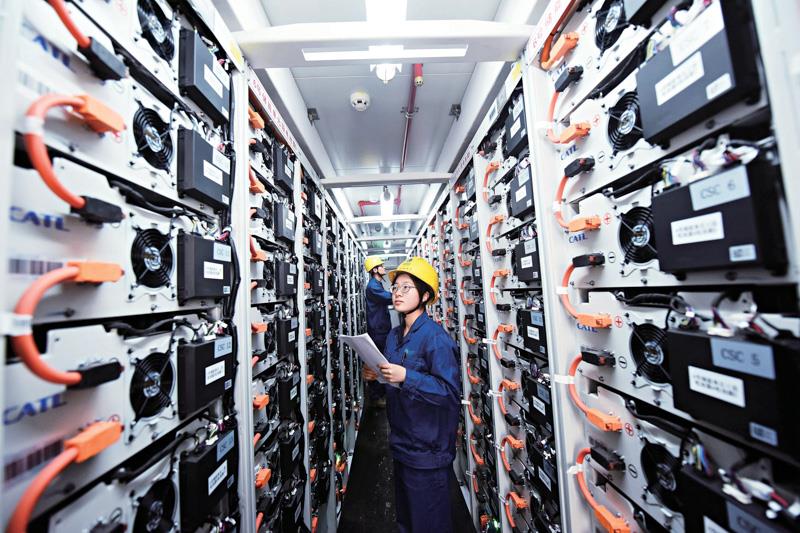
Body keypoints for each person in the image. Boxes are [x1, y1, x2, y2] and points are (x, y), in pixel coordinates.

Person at [362, 257, 460, 533]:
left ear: (425, 295)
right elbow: (392, 381)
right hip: (402, 444)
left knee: (428, 525)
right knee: (406, 522)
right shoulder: (393, 337)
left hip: (428, 453)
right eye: (395, 287)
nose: (397, 293)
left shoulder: (436, 339)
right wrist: (377, 375)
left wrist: (407, 376)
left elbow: (449, 394)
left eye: (406, 287)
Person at [363, 255, 392, 406]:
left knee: (382, 361)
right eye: (381, 266)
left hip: (381, 329)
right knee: (378, 363)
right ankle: (376, 396)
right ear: (375, 270)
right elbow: (389, 298)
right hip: (378, 331)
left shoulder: (377, 284)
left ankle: (382, 393)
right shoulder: (373, 286)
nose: (384, 268)